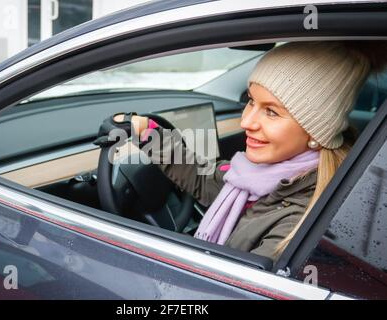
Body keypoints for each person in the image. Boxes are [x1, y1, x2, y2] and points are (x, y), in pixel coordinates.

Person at [96, 41, 386, 262]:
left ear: (316, 130)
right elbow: (204, 178)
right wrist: (147, 131)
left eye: (271, 112)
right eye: (251, 101)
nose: (246, 122)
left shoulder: (302, 221)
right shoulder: (258, 175)